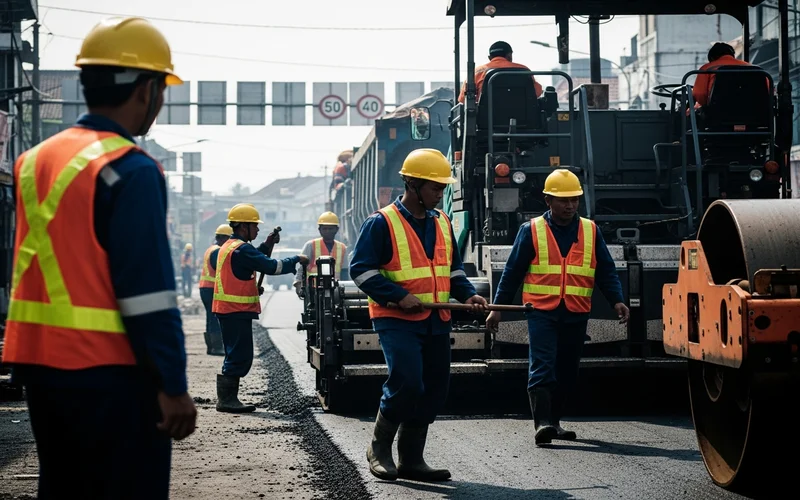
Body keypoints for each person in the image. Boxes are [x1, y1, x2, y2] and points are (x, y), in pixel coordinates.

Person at [0, 17, 196, 499]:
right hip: (111, 374)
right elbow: (148, 293)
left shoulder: (34, 161)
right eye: (162, 89)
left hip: (40, 368)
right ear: (146, 89)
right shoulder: (129, 168)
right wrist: (172, 384)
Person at [350, 148, 488, 482]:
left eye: (442, 188)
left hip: (435, 321)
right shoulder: (382, 222)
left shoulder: (442, 222)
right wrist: (399, 296)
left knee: (434, 389)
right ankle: (378, 449)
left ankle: (411, 458)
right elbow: (361, 270)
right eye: (435, 188)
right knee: (408, 381)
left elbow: (451, 270)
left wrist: (469, 294)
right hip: (395, 320)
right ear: (412, 185)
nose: (440, 194)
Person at [485, 169, 630, 446]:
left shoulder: (590, 230)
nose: (570, 205)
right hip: (540, 310)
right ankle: (543, 424)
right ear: (548, 201)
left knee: (567, 369)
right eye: (563, 200)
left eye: (574, 200)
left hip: (576, 310)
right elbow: (512, 272)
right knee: (543, 364)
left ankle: (555, 421)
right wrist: (498, 308)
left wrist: (617, 300)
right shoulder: (531, 230)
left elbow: (606, 271)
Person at [210, 203, 308, 413]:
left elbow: (255, 259)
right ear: (243, 227)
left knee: (235, 352)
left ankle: (228, 398)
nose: (257, 230)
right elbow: (271, 266)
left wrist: (267, 244)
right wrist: (296, 260)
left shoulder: (231, 246)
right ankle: (227, 400)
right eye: (254, 226)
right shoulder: (242, 249)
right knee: (239, 354)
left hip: (228, 309)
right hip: (235, 310)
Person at [457, 41, 542, 104]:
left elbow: (463, 100)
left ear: (489, 57)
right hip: (524, 120)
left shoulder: (476, 72)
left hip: (485, 122)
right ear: (509, 55)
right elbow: (536, 93)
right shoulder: (523, 70)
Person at [293, 211, 350, 298]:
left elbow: (345, 271)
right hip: (313, 291)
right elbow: (301, 268)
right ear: (319, 230)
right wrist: (298, 284)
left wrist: (345, 289)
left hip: (335, 291)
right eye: (325, 228)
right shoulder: (310, 245)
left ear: (336, 229)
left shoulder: (342, 248)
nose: (327, 231)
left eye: (330, 229)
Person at [199, 224, 232, 356]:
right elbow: (219, 268)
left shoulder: (210, 249)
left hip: (205, 288)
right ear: (224, 238)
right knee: (214, 318)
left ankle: (211, 347)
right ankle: (217, 347)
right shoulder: (218, 251)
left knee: (210, 317)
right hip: (211, 288)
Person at [692, 42, 758, 109]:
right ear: (732, 55)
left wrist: (706, 104)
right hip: (753, 112)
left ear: (712, 58)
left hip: (717, 113)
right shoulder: (754, 69)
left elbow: (700, 95)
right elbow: (767, 90)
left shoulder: (707, 69)